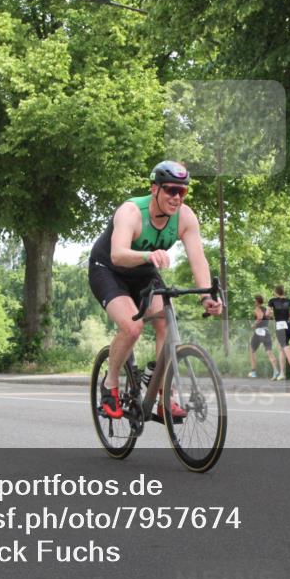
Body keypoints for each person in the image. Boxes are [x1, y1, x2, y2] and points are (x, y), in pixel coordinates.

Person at [88, 160, 223, 420]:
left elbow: (198, 259)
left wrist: (207, 295)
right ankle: (110, 384)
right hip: (108, 268)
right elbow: (118, 254)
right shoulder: (131, 212)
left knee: (166, 322)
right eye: (171, 190)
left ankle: (162, 394)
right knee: (133, 327)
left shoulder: (185, 217)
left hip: (143, 271)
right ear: (154, 189)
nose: (176, 197)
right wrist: (149, 255)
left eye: (182, 191)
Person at [267, 285, 290, 381]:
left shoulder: (272, 301)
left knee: (286, 348)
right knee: (281, 349)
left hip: (280, 327)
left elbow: (267, 313)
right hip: (288, 326)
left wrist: (273, 316)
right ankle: (282, 373)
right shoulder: (289, 301)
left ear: (276, 292)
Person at [248, 295, 277, 379]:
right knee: (269, 352)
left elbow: (260, 317)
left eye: (255, 300)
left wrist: (254, 325)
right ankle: (276, 371)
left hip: (258, 332)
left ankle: (253, 372)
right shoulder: (267, 309)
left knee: (252, 350)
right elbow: (271, 317)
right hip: (266, 331)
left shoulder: (257, 309)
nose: (254, 302)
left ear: (257, 301)